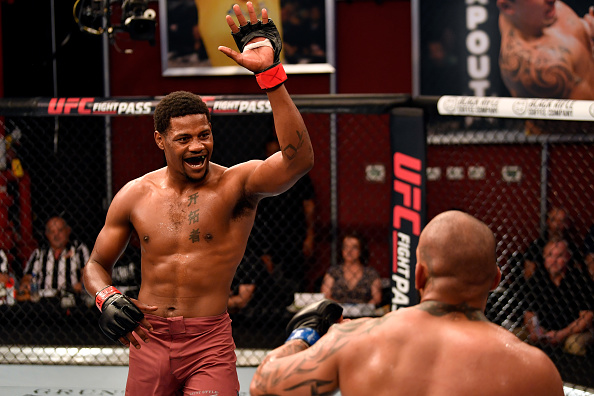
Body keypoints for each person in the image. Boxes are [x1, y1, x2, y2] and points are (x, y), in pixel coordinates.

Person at [82, 2, 314, 394]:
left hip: (208, 344)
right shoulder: (135, 194)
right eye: (184, 138)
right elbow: (95, 264)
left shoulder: (235, 185)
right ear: (160, 140)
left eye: (204, 135)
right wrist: (106, 297)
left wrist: (272, 78)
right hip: (148, 340)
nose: (198, 146)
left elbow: (299, 161)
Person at [250, 210, 565, 396]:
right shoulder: (534, 369)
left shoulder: (354, 338)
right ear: (496, 280)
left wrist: (304, 335)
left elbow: (264, 383)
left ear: (419, 275)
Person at [248, 134, 315, 293]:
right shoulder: (258, 176)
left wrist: (310, 235)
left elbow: (309, 206)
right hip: (265, 235)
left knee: (294, 279)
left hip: (293, 234)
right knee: (265, 282)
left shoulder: (297, 173)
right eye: (269, 155)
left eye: (276, 154)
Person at [497, 0, 594, 100]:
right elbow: (586, 112)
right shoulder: (541, 68)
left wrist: (587, 29)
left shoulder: (537, 12)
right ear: (506, 7)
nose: (553, 0)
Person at [524, 239, 594, 356]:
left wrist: (561, 334)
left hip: (574, 332)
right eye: (550, 255)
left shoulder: (580, 279)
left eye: (559, 256)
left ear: (567, 258)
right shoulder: (537, 278)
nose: (554, 261)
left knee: (574, 344)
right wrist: (535, 331)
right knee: (513, 336)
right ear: (544, 258)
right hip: (545, 331)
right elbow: (529, 313)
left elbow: (587, 318)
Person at [20, 216, 89, 302]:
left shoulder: (78, 249)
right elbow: (27, 276)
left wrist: (82, 284)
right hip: (44, 300)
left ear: (68, 231)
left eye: (60, 230)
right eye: (52, 232)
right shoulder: (40, 252)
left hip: (72, 299)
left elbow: (87, 274)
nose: (56, 235)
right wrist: (26, 284)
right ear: (47, 234)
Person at [320, 232, 382, 306]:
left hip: (364, 314)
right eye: (346, 247)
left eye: (354, 247)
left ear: (361, 250)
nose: (349, 251)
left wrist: (363, 310)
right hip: (337, 313)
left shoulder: (370, 273)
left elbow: (377, 298)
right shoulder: (334, 272)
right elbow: (325, 295)